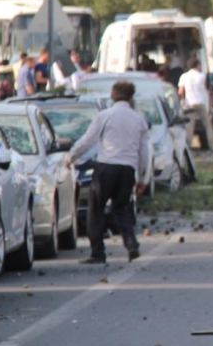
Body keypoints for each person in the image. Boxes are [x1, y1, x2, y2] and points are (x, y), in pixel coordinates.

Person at [64, 80, 150, 264]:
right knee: (121, 208)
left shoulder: (105, 116)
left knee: (95, 208)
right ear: (130, 97)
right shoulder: (139, 120)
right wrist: (142, 178)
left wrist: (71, 157)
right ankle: (131, 244)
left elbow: (88, 140)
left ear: (113, 96)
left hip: (106, 167)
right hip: (127, 170)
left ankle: (98, 252)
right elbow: (144, 152)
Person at [178, 57, 213, 149]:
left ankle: (187, 145)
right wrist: (211, 101)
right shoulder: (202, 76)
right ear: (197, 66)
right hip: (201, 102)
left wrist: (182, 100)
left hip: (190, 103)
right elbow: (207, 90)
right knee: (207, 124)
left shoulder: (184, 76)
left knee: (190, 125)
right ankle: (211, 144)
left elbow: (180, 91)